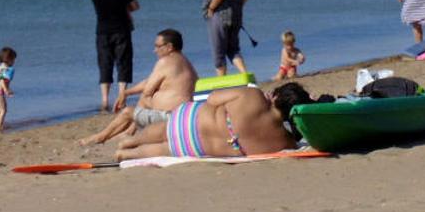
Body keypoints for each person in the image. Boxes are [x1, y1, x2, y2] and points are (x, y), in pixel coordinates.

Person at [115, 82, 314, 160]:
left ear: (276, 97)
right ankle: (126, 154)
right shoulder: (284, 142)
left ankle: (128, 142)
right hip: (195, 148)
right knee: (160, 150)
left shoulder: (253, 96)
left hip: (192, 121)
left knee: (161, 130)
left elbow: (212, 99)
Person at [80, 29, 197, 146]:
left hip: (170, 118)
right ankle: (129, 132)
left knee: (127, 112)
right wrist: (126, 93)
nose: (154, 50)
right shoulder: (187, 63)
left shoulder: (165, 62)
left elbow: (148, 90)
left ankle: (100, 137)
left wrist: (127, 94)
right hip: (183, 116)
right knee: (144, 100)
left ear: (169, 47)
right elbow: (148, 82)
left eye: (157, 46)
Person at [89, 0, 139, 111]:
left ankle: (105, 100)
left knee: (105, 63)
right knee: (123, 63)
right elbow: (135, 6)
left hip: (102, 30)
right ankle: (121, 97)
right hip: (121, 28)